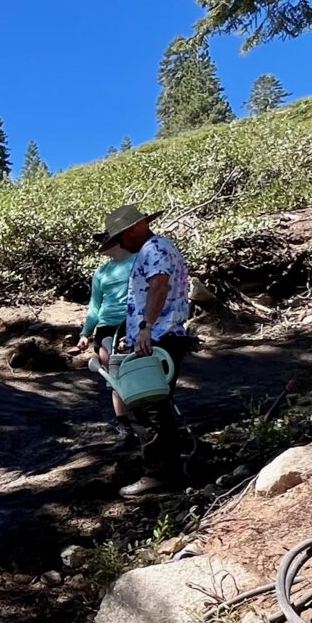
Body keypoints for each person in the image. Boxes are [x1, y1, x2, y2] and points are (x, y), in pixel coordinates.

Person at [100, 204, 193, 497]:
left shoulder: (154, 248)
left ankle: (159, 475)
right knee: (157, 405)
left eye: (122, 237)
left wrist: (146, 327)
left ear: (134, 229)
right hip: (158, 335)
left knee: (147, 406)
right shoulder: (156, 248)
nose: (122, 244)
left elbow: (159, 287)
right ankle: (171, 470)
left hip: (159, 336)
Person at [78, 234, 137, 447]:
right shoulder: (101, 272)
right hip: (106, 326)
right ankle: (125, 427)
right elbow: (95, 306)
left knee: (139, 370)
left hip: (133, 323)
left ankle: (146, 420)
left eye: (104, 241)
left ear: (116, 242)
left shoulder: (138, 261)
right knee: (114, 377)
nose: (100, 246)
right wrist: (85, 333)